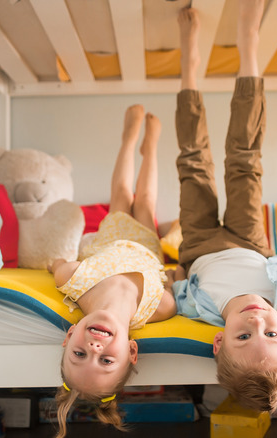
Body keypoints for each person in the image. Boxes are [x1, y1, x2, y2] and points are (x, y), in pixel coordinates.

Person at [171, 1, 277, 413]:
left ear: (219, 341)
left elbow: (178, 284)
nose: (257, 323)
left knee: (193, 163)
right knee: (244, 159)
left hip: (198, 244)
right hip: (249, 240)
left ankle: (189, 63)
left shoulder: (201, 311)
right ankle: (248, 44)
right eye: (271, 335)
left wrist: (175, 271)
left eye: (243, 338)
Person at [48, 105, 176, 437]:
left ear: (69, 336)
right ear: (131, 351)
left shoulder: (77, 283)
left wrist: (54, 265)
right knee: (146, 200)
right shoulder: (156, 310)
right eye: (107, 361)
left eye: (79, 354)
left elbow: (60, 265)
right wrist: (178, 276)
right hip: (147, 245)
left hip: (113, 236)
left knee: (121, 194)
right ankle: (150, 149)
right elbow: (172, 290)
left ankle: (128, 139)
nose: (94, 350)